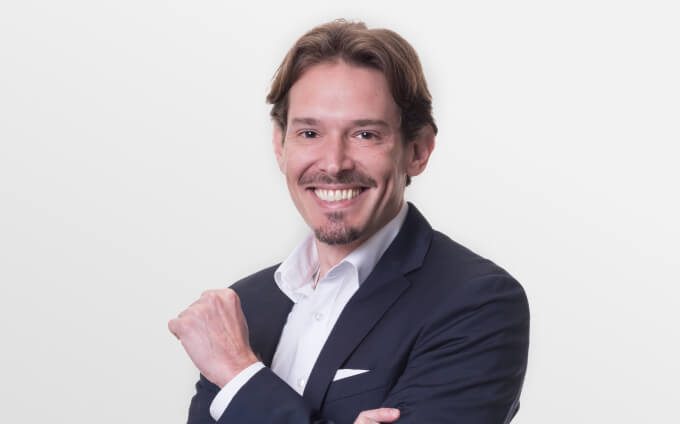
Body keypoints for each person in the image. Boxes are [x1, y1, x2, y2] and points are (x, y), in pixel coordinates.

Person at [169, 19, 529, 424]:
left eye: (365, 135)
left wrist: (239, 374)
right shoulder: (244, 306)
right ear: (279, 145)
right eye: (309, 133)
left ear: (418, 150)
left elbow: (240, 384)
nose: (334, 163)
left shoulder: (476, 303)